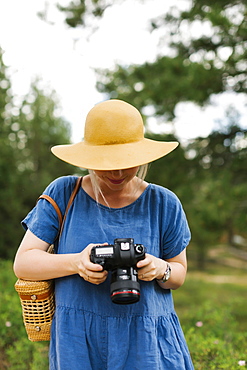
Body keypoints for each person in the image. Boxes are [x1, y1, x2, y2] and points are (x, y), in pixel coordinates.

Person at [14, 99, 194, 370]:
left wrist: (160, 269)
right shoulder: (63, 194)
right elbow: (24, 263)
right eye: (107, 162)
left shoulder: (164, 203)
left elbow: (178, 275)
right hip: (78, 341)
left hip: (147, 343)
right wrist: (77, 262)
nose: (118, 172)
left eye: (127, 161)